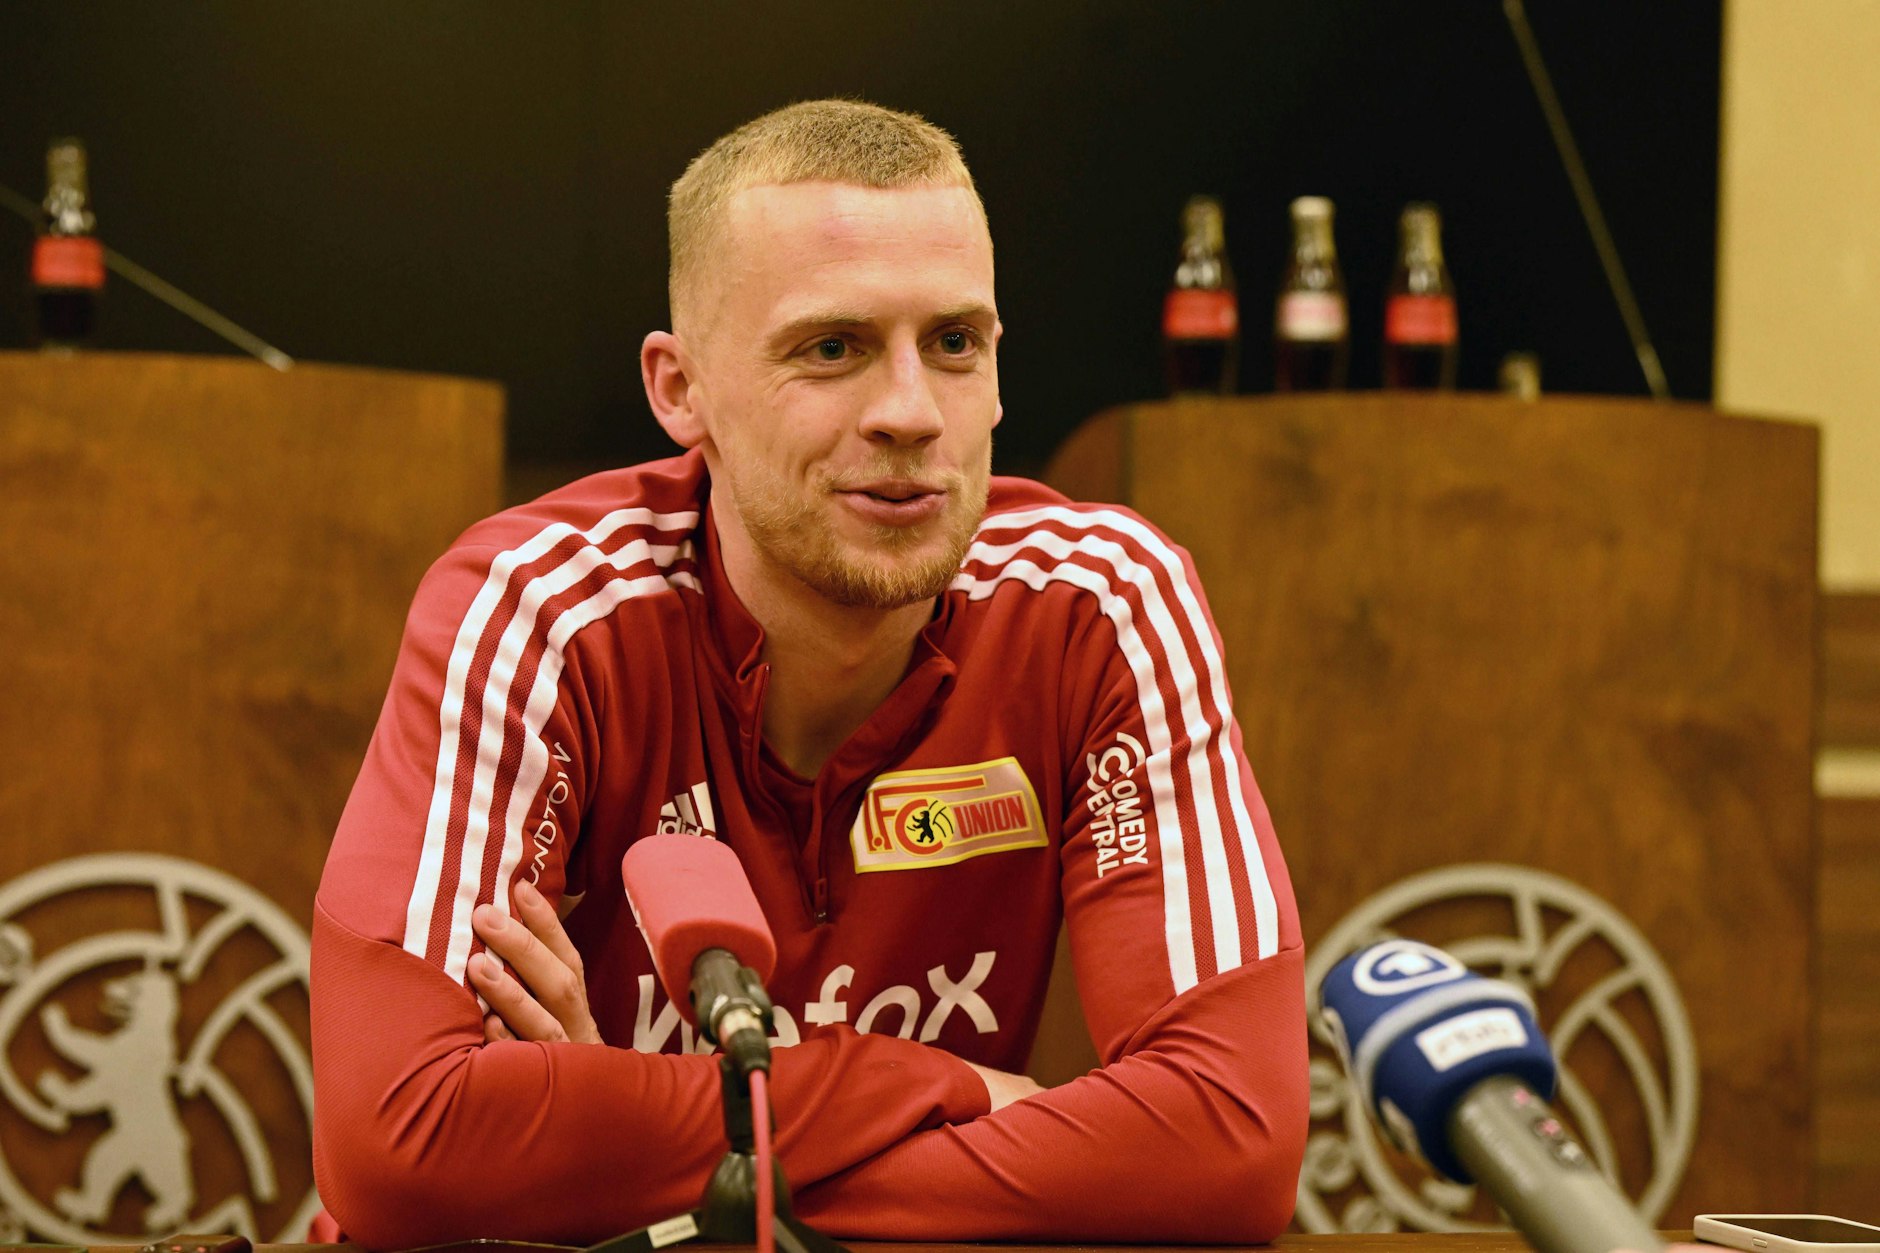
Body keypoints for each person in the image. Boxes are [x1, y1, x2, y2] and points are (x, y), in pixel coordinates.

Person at [311, 99, 1307, 1248]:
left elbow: (1227, 1144)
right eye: (829, 348)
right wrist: (951, 1087)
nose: (908, 412)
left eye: (953, 343)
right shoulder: (536, 609)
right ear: (679, 390)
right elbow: (400, 1143)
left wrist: (622, 1152)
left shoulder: (1099, 601)